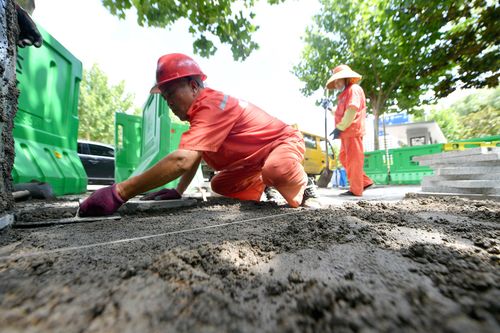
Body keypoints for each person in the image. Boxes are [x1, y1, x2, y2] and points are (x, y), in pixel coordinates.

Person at [79, 53, 319, 217]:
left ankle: (305, 186)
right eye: (165, 98)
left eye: (171, 93)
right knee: (219, 184)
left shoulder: (210, 104)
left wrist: (119, 192)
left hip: (283, 142)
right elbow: (194, 157)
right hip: (255, 161)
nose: (170, 103)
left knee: (277, 170)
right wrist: (178, 191)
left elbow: (183, 160)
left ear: (194, 86)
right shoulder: (200, 115)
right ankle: (265, 182)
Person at [326, 64, 373, 196]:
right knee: (344, 157)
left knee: (353, 160)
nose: (336, 84)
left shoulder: (354, 89)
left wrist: (340, 127)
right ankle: (364, 181)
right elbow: (340, 112)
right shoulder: (345, 94)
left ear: (346, 78)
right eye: (334, 81)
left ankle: (356, 190)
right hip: (346, 132)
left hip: (351, 130)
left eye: (338, 80)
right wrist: (329, 108)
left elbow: (352, 109)